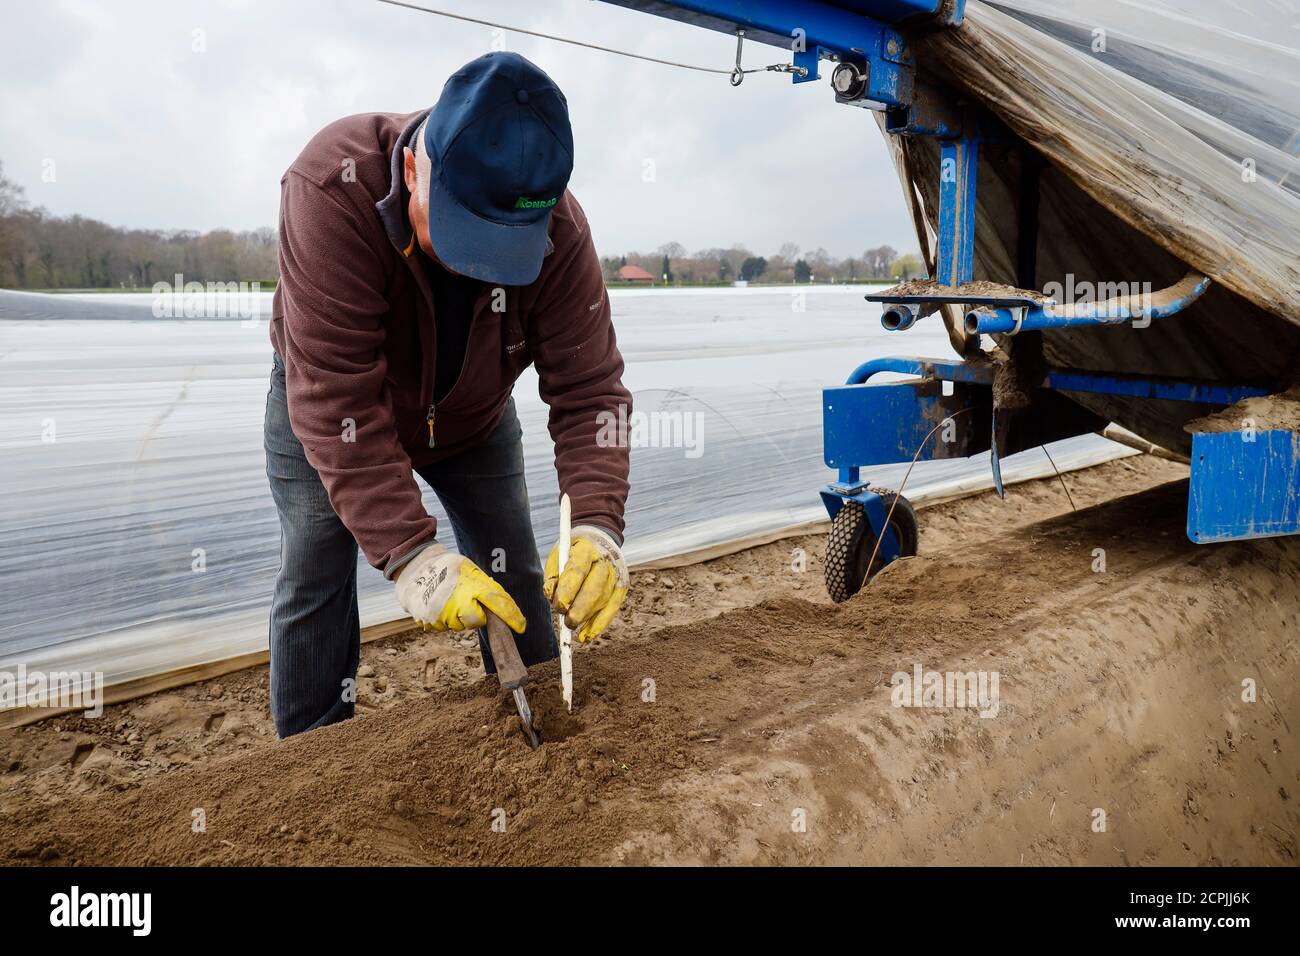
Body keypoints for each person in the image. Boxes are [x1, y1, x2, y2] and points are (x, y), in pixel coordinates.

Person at [264, 52, 631, 738]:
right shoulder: (330, 188)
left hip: (472, 418)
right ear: (413, 171)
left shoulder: (563, 232)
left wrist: (597, 527)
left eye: (506, 245)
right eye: (463, 233)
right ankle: (313, 758)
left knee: (514, 570)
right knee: (315, 567)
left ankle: (540, 722)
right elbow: (336, 392)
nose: (480, 265)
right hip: (327, 406)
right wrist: (413, 557)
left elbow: (591, 393)